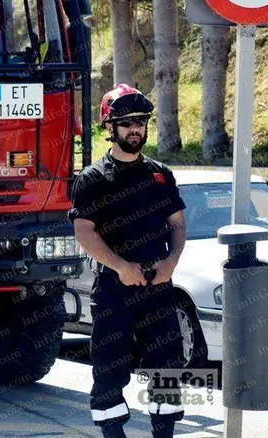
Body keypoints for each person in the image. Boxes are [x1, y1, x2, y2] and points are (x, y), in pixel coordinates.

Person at [68, 84, 188, 438]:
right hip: (114, 289)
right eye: (126, 122)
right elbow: (84, 231)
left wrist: (171, 262)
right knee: (109, 366)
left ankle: (164, 432)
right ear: (110, 127)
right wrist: (121, 266)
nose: (135, 129)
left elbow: (178, 224)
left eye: (140, 121)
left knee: (167, 364)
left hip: (158, 285)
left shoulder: (160, 174)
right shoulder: (92, 179)